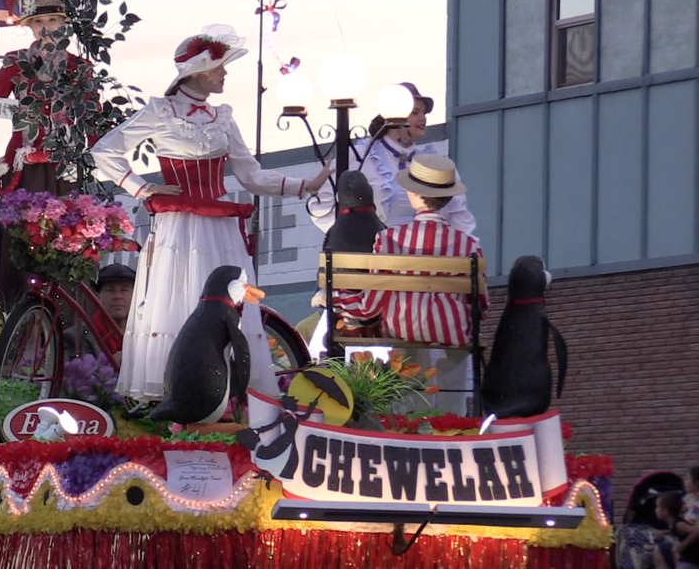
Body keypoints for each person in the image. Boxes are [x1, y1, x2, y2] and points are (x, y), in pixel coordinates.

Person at [91, 24, 331, 403]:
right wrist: (142, 187)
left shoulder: (222, 117)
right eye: (220, 67)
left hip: (219, 228)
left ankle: (227, 392)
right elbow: (104, 151)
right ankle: (177, 393)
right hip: (179, 224)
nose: (224, 74)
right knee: (177, 301)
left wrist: (305, 185)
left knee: (230, 302)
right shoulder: (161, 111)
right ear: (200, 71)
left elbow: (250, 174)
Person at [330, 155, 488, 413]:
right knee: (457, 347)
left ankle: (411, 418)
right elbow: (480, 302)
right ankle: (454, 417)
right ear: (448, 197)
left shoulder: (389, 239)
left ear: (413, 195)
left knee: (409, 339)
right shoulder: (468, 245)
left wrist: (343, 301)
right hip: (452, 329)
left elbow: (372, 302)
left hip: (404, 327)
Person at [0, 0, 93, 309]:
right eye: (38, 23)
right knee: (22, 241)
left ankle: (67, 319)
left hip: (66, 166)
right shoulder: (16, 63)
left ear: (64, 26)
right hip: (23, 163)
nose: (45, 29)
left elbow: (92, 117)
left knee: (69, 240)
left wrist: (88, 154)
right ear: (31, 28)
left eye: (51, 22)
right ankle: (15, 318)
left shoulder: (79, 67)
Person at [308, 82, 475, 237]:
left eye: (424, 113)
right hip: (376, 260)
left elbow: (458, 215)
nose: (423, 118)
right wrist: (353, 239)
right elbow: (321, 206)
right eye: (415, 112)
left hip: (428, 260)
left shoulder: (434, 165)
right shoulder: (361, 156)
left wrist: (462, 256)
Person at [63, 263, 136, 359]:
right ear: (98, 296)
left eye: (124, 290)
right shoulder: (76, 337)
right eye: (110, 290)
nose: (117, 296)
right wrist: (111, 366)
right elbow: (77, 371)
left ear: (135, 296)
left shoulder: (147, 337)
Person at [654, 491, 699, 569]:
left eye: (657, 507)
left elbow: (696, 532)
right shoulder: (673, 523)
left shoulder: (679, 524)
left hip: (693, 560)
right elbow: (678, 531)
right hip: (686, 558)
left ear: (665, 511)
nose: (655, 510)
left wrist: (682, 545)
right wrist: (665, 532)